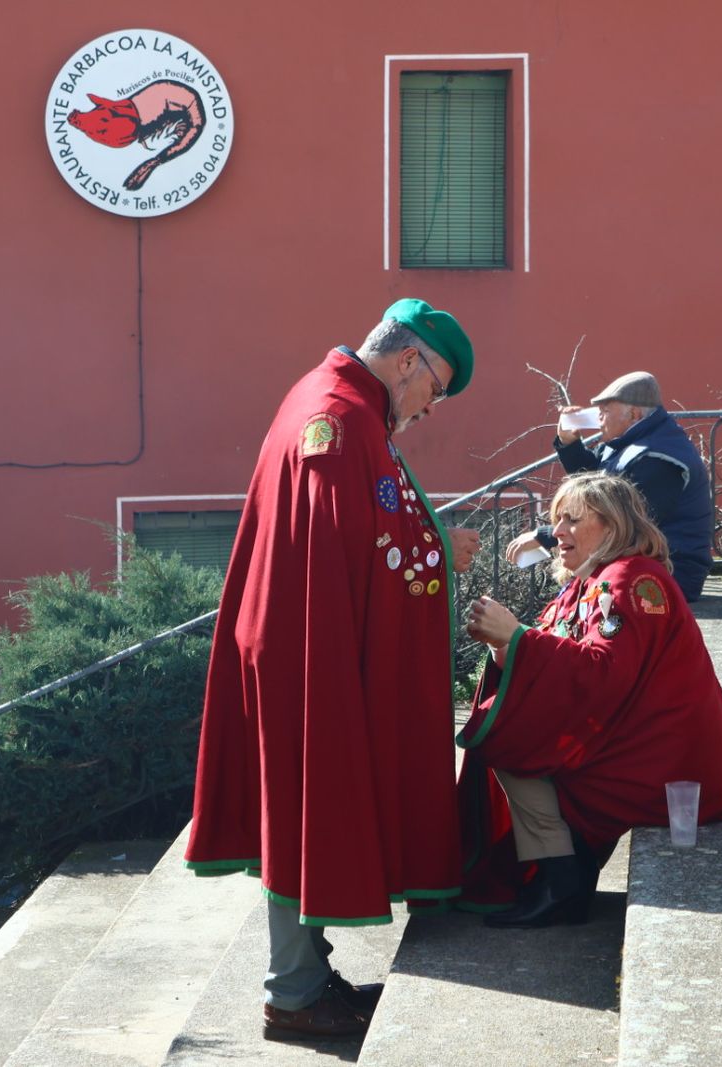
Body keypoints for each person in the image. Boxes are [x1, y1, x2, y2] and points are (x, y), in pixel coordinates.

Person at [184, 299, 480, 1044]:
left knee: (305, 804)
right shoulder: (341, 421)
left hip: (298, 636)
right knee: (306, 804)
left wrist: (436, 538)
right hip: (305, 647)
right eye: (436, 388)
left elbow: (362, 532)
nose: (430, 407)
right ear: (408, 360)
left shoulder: (332, 398)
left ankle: (308, 972)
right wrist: (441, 551)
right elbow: (357, 545)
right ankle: (294, 995)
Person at [464, 472, 722, 927]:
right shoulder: (596, 578)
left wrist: (518, 638)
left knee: (510, 740)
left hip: (662, 762)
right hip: (631, 740)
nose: (557, 532)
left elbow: (605, 673)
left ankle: (562, 880)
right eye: (556, 519)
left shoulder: (633, 582)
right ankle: (564, 871)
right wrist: (503, 643)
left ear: (610, 526)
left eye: (571, 520)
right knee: (507, 730)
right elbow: (563, 657)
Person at [504, 371, 713, 600]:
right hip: (645, 567)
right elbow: (594, 488)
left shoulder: (657, 457)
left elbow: (624, 522)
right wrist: (569, 443)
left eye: (604, 412)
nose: (598, 419)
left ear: (633, 414)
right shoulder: (627, 443)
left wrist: (547, 535)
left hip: (671, 575)